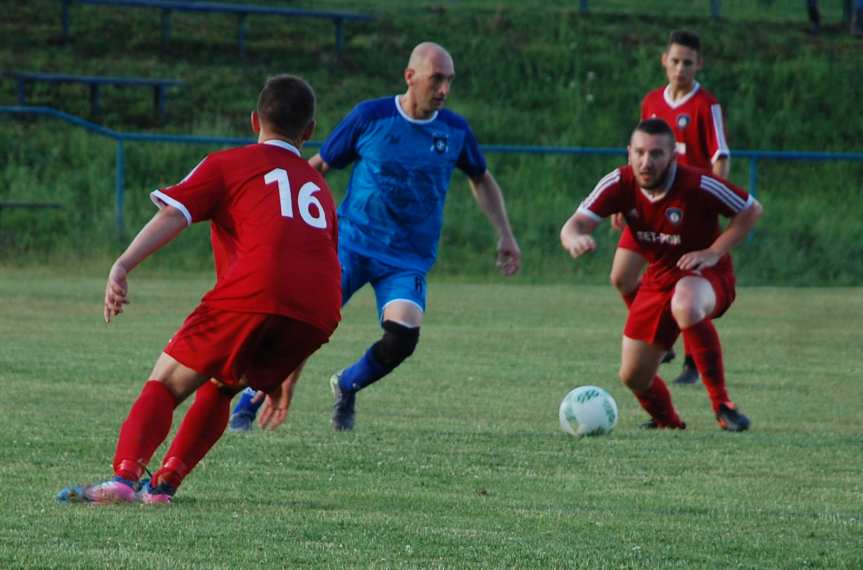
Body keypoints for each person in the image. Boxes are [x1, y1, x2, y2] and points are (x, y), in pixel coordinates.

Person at [56, 75, 342, 504]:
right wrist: (289, 369)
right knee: (223, 384)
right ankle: (164, 487)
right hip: (319, 313)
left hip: (255, 292)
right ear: (309, 131)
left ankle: (124, 479)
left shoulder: (230, 164)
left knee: (167, 384)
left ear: (254, 121)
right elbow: (314, 267)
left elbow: (175, 214)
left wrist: (122, 264)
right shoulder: (319, 188)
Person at [229, 41, 521, 433]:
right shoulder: (371, 116)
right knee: (302, 325)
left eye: (450, 80)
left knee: (402, 336)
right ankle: (249, 402)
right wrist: (281, 214)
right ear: (410, 76)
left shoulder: (454, 130)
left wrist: (505, 234)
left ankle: (347, 384)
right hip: (350, 243)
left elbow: (480, 178)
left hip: (408, 257)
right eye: (437, 78)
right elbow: (317, 167)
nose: (444, 89)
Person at [561, 118, 761, 432]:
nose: (646, 161)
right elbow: (573, 224)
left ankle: (723, 406)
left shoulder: (697, 184)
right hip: (657, 279)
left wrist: (713, 253)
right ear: (629, 152)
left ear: (672, 156)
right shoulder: (618, 182)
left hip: (707, 276)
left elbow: (750, 210)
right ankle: (668, 423)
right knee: (633, 376)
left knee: (685, 301)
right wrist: (574, 239)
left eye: (656, 154)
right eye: (639, 152)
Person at [610, 30, 730, 385]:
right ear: (664, 60)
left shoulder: (706, 105)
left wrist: (716, 200)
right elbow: (638, 151)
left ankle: (694, 365)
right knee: (621, 276)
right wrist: (623, 195)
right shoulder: (652, 101)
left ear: (699, 64)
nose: (680, 68)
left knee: (687, 288)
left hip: (688, 213)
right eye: (675, 61)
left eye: (688, 62)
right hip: (648, 206)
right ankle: (661, 339)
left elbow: (720, 156)